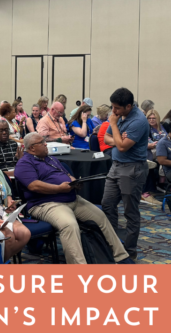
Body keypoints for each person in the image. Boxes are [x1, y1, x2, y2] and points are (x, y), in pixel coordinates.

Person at [15, 132, 133, 264]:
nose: (45, 144)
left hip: (71, 199)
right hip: (46, 204)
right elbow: (34, 186)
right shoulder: (24, 163)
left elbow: (66, 174)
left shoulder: (51, 159)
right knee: (69, 225)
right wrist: (59, 188)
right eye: (42, 143)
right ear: (31, 148)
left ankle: (121, 256)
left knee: (100, 216)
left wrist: (74, 182)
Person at [102, 88, 150, 260]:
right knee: (107, 205)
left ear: (128, 106)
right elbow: (106, 139)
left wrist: (114, 126)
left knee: (130, 212)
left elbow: (122, 146)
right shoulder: (120, 115)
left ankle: (129, 252)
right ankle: (113, 246)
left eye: (117, 108)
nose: (113, 112)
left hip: (132, 169)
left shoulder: (138, 121)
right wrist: (118, 138)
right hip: (116, 166)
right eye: (112, 107)